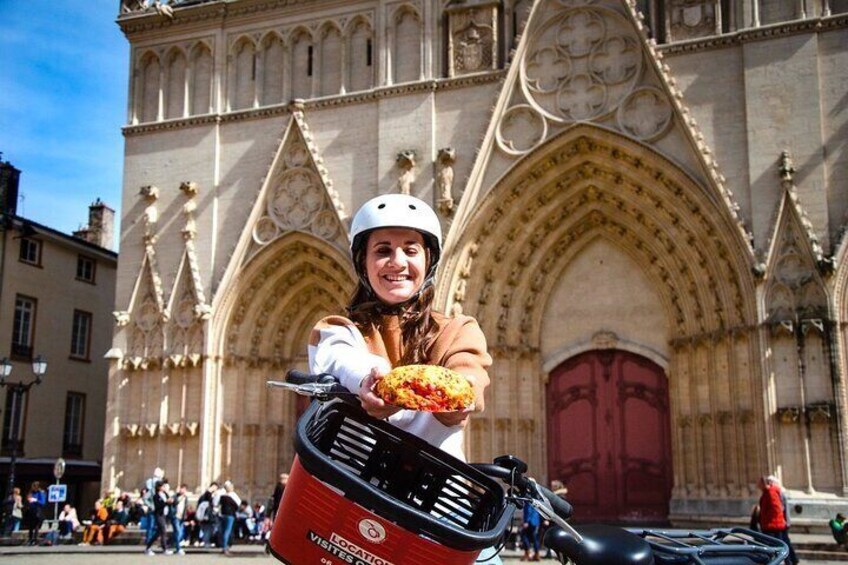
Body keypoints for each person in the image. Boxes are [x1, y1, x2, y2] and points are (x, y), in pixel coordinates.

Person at [308, 194, 496, 562]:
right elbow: (340, 359)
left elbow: (468, 380)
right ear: (363, 262)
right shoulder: (338, 330)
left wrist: (459, 396)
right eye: (382, 250)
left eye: (411, 249)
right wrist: (369, 380)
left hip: (441, 504)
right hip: (359, 501)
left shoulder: (458, 331)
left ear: (429, 260)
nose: (397, 262)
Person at [757, 475, 798, 565]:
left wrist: (768, 521)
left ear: (763, 483)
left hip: (773, 525)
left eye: (759, 483)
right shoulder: (767, 492)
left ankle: (788, 561)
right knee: (780, 545)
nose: (757, 485)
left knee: (778, 546)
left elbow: (776, 509)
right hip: (773, 524)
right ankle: (790, 561)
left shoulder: (771, 492)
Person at [144, 480, 172, 555]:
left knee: (158, 533)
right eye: (162, 486)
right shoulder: (156, 495)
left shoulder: (165, 494)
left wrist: (170, 501)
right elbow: (158, 505)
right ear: (159, 487)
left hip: (164, 514)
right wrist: (166, 502)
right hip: (159, 514)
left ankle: (148, 547)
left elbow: (169, 502)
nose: (164, 488)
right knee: (163, 530)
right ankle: (165, 548)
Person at [215, 480, 241, 555]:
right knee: (227, 531)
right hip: (230, 515)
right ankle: (225, 547)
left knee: (224, 531)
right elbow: (237, 505)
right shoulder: (232, 496)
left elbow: (216, 504)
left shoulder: (221, 496)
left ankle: (224, 546)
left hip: (223, 515)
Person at [196, 481, 219, 547]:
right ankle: (205, 542)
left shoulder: (204, 495)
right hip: (206, 515)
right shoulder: (208, 495)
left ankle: (204, 541)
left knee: (205, 529)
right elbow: (210, 505)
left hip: (204, 515)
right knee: (207, 529)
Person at [23, 482, 46, 546]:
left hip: (37, 511)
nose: (33, 488)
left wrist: (35, 500)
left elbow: (43, 503)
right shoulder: (31, 492)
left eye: (34, 487)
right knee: (30, 526)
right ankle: (30, 539)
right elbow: (28, 500)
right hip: (31, 510)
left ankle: (35, 540)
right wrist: (29, 500)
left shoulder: (41, 493)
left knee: (36, 526)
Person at [168, 483, 187, 553]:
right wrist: (180, 496)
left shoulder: (186, 497)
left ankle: (171, 543)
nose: (183, 491)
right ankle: (178, 548)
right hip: (175, 516)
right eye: (182, 489)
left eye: (185, 489)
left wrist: (185, 516)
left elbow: (185, 507)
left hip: (181, 517)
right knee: (177, 531)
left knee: (180, 533)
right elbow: (174, 502)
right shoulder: (175, 496)